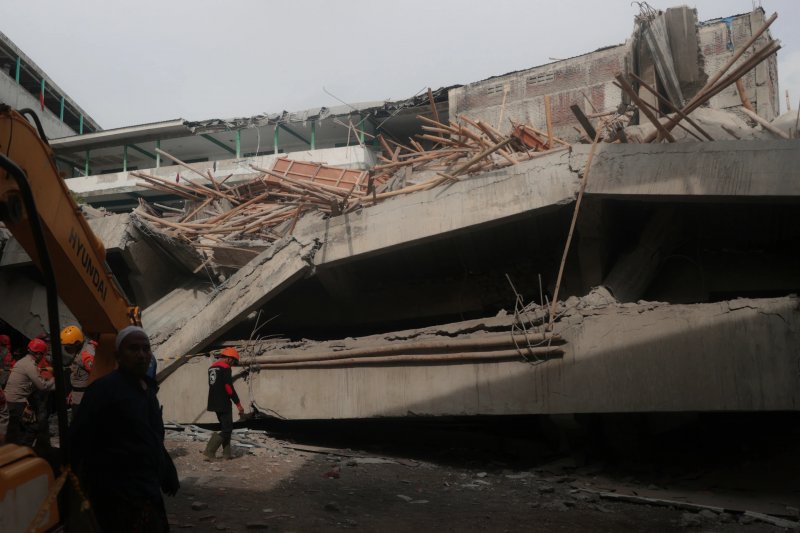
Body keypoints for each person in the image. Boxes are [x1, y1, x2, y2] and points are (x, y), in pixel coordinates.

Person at [70, 325, 179, 533]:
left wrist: (166, 466)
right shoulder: (103, 390)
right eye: (133, 349)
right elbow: (79, 439)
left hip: (146, 487)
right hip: (116, 493)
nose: (141, 355)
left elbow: (149, 435)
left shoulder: (146, 389)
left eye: (146, 349)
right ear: (117, 355)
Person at [4, 338, 55, 447]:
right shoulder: (30, 365)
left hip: (11, 402)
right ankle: (24, 452)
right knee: (32, 428)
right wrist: (54, 380)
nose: (43, 357)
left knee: (16, 431)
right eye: (43, 354)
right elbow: (42, 386)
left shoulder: (22, 361)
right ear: (38, 354)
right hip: (17, 403)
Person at [204, 347, 245, 461]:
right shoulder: (225, 368)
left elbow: (213, 385)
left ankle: (227, 454)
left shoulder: (212, 367)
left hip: (213, 402)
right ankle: (209, 451)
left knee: (225, 427)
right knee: (227, 429)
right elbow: (228, 387)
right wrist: (238, 404)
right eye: (233, 361)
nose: (233, 364)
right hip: (223, 402)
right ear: (229, 359)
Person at [60, 325, 95, 418]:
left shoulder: (85, 356)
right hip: (78, 396)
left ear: (77, 344)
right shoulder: (79, 352)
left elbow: (97, 376)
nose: (66, 350)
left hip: (83, 399)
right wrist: (74, 391)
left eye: (68, 347)